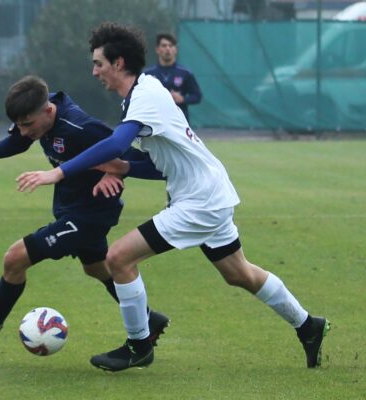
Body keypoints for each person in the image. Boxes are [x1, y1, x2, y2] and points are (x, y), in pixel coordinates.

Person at [16, 23, 329, 372]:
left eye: (99, 63)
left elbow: (118, 145)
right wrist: (121, 168)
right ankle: (308, 325)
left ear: (118, 63)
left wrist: (59, 172)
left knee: (118, 258)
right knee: (239, 273)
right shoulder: (143, 91)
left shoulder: (145, 96)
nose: (94, 71)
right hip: (208, 193)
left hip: (200, 201)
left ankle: (139, 345)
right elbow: (156, 164)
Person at [0, 75, 170, 350]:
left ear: (49, 110)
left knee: (15, 258)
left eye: (28, 124)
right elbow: (19, 139)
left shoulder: (82, 128)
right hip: (72, 207)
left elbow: (130, 156)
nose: (24, 130)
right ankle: (149, 319)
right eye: (20, 124)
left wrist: (114, 174)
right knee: (95, 268)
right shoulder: (38, 115)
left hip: (90, 214)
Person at [144, 33, 202, 123]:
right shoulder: (147, 74)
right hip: (155, 122)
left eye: (171, 45)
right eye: (164, 45)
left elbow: (197, 96)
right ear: (157, 50)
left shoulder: (185, 73)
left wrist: (183, 99)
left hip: (179, 122)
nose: (168, 49)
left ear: (175, 49)